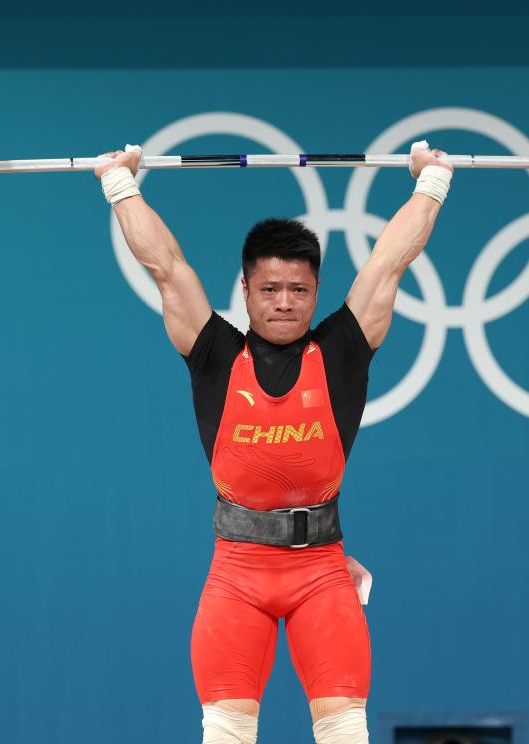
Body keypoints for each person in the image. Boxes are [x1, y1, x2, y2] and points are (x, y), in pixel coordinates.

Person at [95, 141, 453, 744]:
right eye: (269, 289)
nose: (284, 302)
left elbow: (390, 262)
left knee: (345, 733)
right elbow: (167, 267)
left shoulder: (342, 350)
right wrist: (120, 185)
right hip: (237, 573)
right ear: (244, 289)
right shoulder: (213, 352)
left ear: (316, 290)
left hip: (321, 572)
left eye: (298, 289)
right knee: (225, 735)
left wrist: (432, 182)